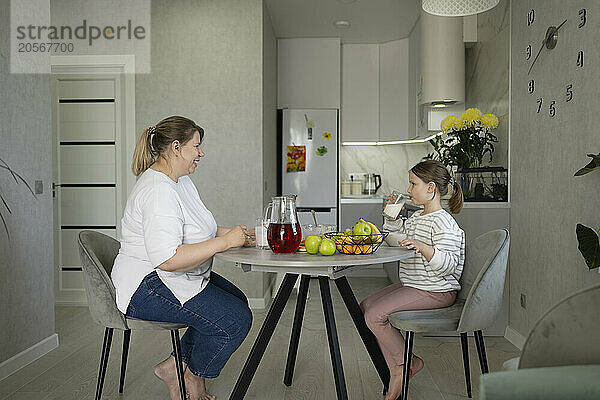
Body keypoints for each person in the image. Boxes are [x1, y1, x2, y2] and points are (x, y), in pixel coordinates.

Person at [111, 116, 252, 400]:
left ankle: (174, 366)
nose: (201, 153)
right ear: (176, 147)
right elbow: (168, 259)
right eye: (196, 147)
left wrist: (242, 235)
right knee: (234, 321)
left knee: (237, 301)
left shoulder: (179, 181)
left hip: (164, 277)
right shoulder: (157, 191)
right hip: (145, 287)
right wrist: (224, 242)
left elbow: (200, 230)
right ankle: (191, 377)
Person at [360, 160, 465, 400]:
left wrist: (425, 248)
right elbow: (397, 241)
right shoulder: (418, 216)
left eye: (412, 184)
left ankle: (404, 365)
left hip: (435, 290)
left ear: (430, 188)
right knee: (366, 306)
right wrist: (392, 220)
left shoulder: (444, 222)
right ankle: (399, 366)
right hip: (417, 285)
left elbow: (448, 266)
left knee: (373, 316)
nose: (408, 190)